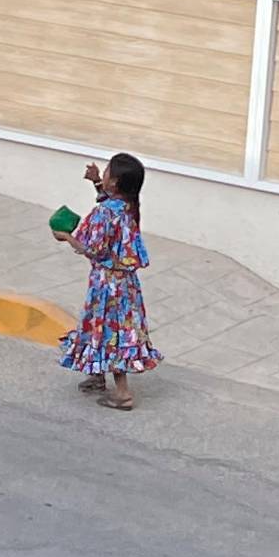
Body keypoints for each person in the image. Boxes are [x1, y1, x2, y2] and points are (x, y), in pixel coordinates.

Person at [54, 153, 162, 411]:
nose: (102, 173)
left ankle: (122, 394)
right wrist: (95, 184)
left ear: (114, 183)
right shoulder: (128, 206)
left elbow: (93, 249)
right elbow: (109, 202)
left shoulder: (104, 212)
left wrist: (66, 237)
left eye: (106, 173)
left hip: (107, 285)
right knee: (102, 328)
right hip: (125, 283)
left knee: (111, 333)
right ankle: (97, 374)